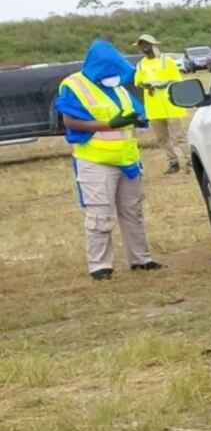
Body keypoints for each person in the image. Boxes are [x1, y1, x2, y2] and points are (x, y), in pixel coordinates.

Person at [56, 40, 159, 281]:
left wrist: (139, 116)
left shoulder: (119, 87)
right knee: (100, 214)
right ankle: (100, 266)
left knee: (133, 212)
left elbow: (137, 113)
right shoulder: (73, 85)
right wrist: (109, 124)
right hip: (95, 160)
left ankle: (141, 260)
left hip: (127, 159)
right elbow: (70, 122)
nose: (114, 77)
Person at [132, 32, 188, 173]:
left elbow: (176, 79)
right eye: (141, 46)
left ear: (154, 45)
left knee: (179, 137)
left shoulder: (166, 60)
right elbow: (138, 82)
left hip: (171, 105)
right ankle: (173, 163)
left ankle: (189, 161)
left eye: (146, 44)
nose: (144, 48)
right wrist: (147, 86)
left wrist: (164, 84)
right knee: (162, 138)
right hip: (154, 107)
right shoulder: (141, 65)